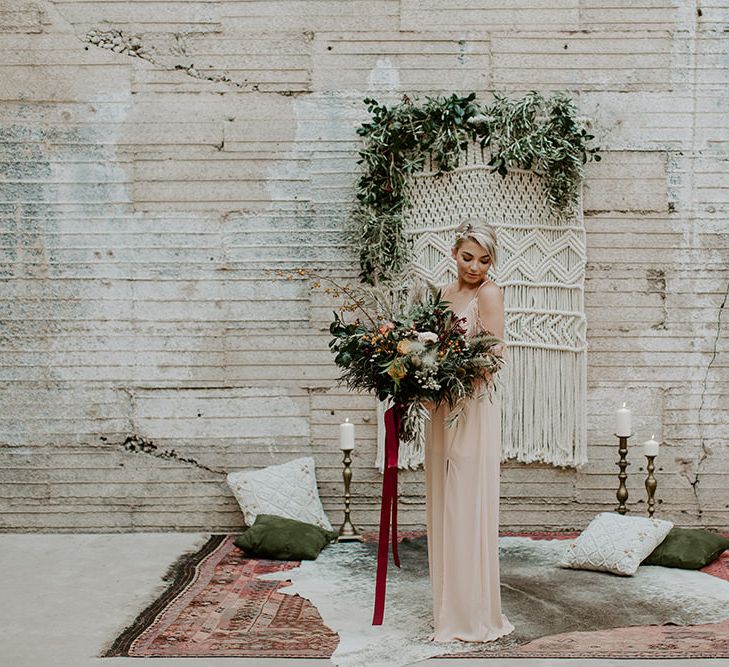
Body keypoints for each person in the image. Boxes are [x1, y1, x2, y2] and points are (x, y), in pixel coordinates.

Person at [424, 218, 515, 643]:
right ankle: (448, 607)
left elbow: (493, 358)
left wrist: (451, 374)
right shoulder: (442, 295)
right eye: (467, 257)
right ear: (454, 252)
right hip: (441, 409)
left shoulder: (489, 294)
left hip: (471, 409)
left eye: (484, 259)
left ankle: (470, 613)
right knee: (442, 501)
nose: (474, 267)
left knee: (465, 502)